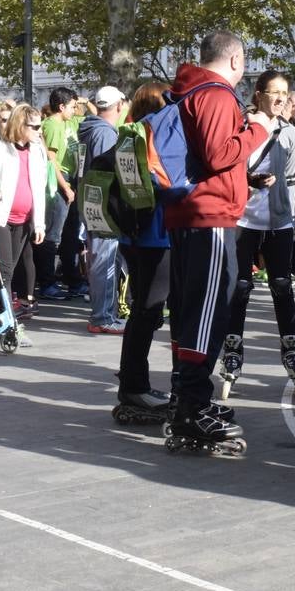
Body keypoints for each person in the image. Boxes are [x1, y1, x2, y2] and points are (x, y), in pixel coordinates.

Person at [162, 30, 271, 451]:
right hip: (207, 216)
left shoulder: (189, 92)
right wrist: (258, 130)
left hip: (196, 212)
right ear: (236, 60)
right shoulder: (215, 94)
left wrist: (242, 180)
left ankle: (184, 397)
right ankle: (192, 404)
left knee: (193, 309)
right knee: (207, 313)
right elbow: (217, 154)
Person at [219, 70, 295, 398]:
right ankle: (232, 352)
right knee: (239, 288)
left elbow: (289, 178)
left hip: (279, 220)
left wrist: (288, 211)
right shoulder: (241, 127)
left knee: (282, 287)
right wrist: (249, 180)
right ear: (259, 94)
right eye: (274, 92)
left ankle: (292, 351)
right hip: (243, 219)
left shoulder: (291, 133)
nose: (281, 98)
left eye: (285, 92)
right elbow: (230, 167)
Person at [112, 83, 176, 424]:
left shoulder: (129, 131)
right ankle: (135, 384)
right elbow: (165, 180)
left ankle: (133, 382)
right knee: (148, 311)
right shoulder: (155, 131)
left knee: (143, 311)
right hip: (156, 233)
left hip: (132, 233)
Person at [0, 104, 46, 332]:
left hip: (24, 219)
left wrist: (39, 223)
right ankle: (2, 320)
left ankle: (2, 319)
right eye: (34, 126)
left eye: (40, 125)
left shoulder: (37, 150)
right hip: (0, 219)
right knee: (4, 271)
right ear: (20, 125)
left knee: (9, 271)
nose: (39, 130)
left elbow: (39, 187)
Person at [79, 86, 128, 333]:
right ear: (119, 105)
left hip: (92, 203)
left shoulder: (91, 129)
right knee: (105, 260)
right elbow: (104, 174)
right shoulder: (105, 134)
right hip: (103, 206)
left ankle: (103, 314)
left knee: (102, 258)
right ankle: (102, 317)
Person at [37, 88, 82, 300]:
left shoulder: (65, 123)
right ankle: (46, 283)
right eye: (72, 106)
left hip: (69, 180)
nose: (75, 110)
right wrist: (65, 186)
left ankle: (73, 280)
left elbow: (84, 113)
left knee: (69, 234)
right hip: (58, 182)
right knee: (53, 235)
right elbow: (51, 159)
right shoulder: (53, 125)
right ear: (62, 107)